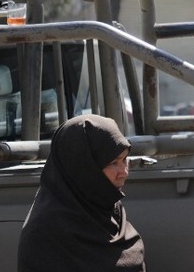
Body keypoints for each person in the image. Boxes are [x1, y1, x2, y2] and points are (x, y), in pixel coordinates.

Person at [17, 114, 145, 271]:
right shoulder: (46, 234)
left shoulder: (109, 210)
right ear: (83, 168)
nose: (123, 172)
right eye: (113, 163)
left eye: (125, 160)